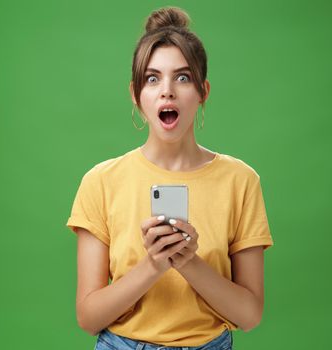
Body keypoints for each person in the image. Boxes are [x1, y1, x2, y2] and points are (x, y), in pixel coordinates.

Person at [66, 6, 274, 349]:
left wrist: (189, 261)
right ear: (136, 95)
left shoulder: (241, 180)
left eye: (182, 77)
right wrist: (153, 265)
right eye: (152, 78)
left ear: (203, 91)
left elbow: (249, 316)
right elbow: (89, 318)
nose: (167, 91)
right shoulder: (100, 181)